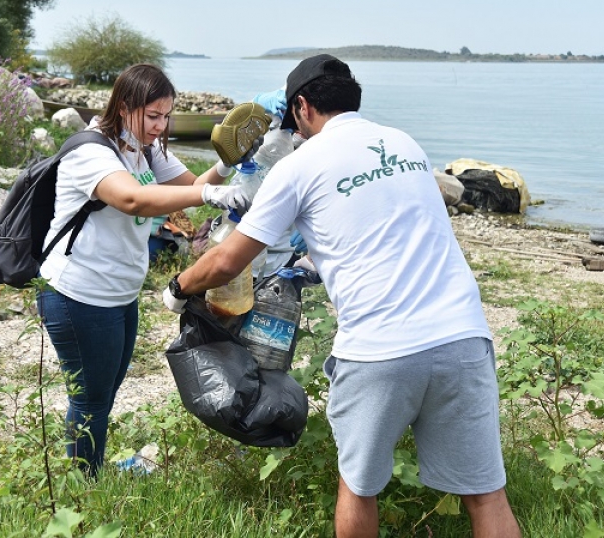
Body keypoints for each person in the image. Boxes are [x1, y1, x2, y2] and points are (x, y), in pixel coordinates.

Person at [162, 54, 521, 537]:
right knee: (485, 494)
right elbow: (384, 230)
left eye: (293, 122)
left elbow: (229, 259)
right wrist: (312, 268)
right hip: (463, 336)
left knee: (358, 486)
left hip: (379, 349)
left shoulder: (299, 164)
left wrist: (177, 289)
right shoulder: (404, 144)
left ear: (303, 107)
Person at [37, 63, 251, 476]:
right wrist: (210, 192)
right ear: (124, 105)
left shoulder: (146, 147)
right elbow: (133, 199)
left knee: (106, 389)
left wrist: (226, 166)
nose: (161, 125)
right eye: (153, 115)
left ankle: (91, 469)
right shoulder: (92, 151)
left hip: (119, 293)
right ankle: (86, 485)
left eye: (167, 115)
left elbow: (189, 190)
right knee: (90, 398)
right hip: (77, 294)